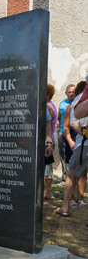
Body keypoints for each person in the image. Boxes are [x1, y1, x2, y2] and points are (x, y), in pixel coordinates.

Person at [56, 83, 88, 217]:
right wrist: (70, 141)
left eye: (73, 91)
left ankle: (68, 206)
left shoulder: (80, 101)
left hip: (83, 144)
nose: (72, 94)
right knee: (73, 173)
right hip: (79, 144)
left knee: (75, 174)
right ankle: (69, 204)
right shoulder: (72, 104)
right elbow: (66, 126)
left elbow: (74, 124)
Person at [57, 84, 76, 181]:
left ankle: (72, 175)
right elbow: (59, 116)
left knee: (72, 154)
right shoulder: (62, 103)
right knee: (62, 154)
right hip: (61, 132)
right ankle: (65, 175)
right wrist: (57, 123)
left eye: (73, 92)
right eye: (70, 92)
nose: (71, 94)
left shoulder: (77, 103)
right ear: (66, 93)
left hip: (73, 133)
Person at [44, 84, 58, 199]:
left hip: (47, 141)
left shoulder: (48, 107)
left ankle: (46, 192)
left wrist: (48, 143)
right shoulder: (50, 105)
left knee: (47, 167)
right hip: (48, 140)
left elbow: (47, 126)